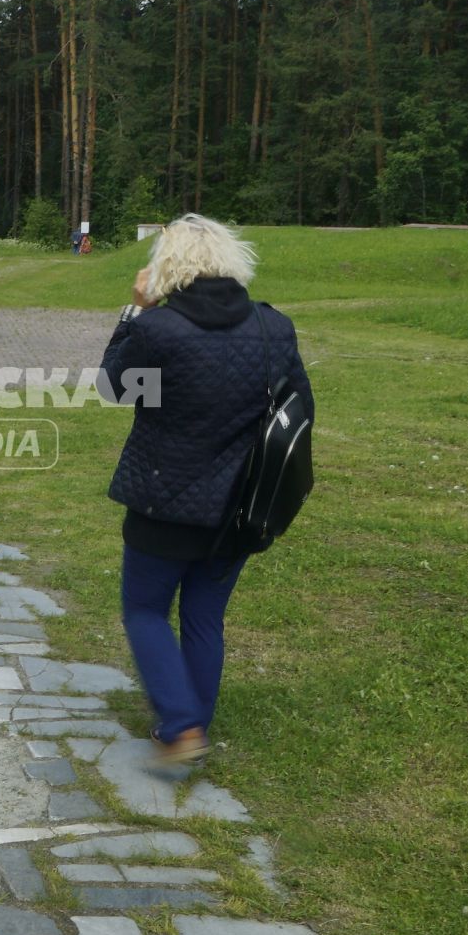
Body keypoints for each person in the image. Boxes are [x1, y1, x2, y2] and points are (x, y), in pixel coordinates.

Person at [100, 214, 313, 766]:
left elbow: (112, 389)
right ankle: (195, 721)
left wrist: (134, 311)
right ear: (230, 260)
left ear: (166, 267)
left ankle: (183, 725)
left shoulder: (158, 329)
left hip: (160, 500)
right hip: (239, 506)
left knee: (145, 611)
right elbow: (298, 409)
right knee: (203, 617)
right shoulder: (274, 327)